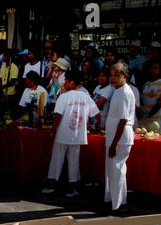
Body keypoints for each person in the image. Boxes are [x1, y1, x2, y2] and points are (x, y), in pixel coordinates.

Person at [42, 70, 101, 197]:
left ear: (72, 82)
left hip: (63, 134)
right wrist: (96, 126)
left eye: (67, 81)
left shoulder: (64, 97)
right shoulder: (86, 97)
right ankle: (73, 187)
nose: (65, 83)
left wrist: (53, 131)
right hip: (78, 135)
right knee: (74, 161)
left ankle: (52, 185)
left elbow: (57, 116)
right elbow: (97, 115)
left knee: (57, 159)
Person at [104, 62, 135, 212]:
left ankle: (119, 204)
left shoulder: (124, 92)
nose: (113, 78)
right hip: (116, 137)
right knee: (115, 170)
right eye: (111, 75)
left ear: (125, 76)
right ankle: (116, 201)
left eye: (117, 75)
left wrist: (114, 143)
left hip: (120, 138)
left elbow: (123, 119)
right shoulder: (118, 91)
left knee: (117, 170)